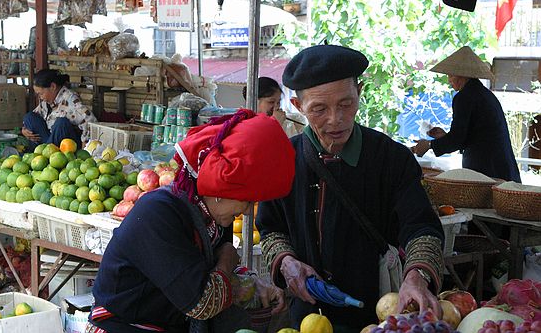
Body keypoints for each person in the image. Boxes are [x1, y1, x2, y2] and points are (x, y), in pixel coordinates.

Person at [256, 45, 445, 330]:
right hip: (306, 318)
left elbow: (422, 228)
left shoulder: (391, 158)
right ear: (298, 107)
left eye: (346, 103)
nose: (336, 119)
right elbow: (271, 231)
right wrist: (286, 262)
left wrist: (417, 275)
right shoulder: (283, 159)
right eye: (319, 109)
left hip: (380, 316)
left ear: (360, 91)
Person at [87, 109, 296, 332]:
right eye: (246, 201)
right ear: (220, 189)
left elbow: (210, 271)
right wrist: (227, 260)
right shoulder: (159, 214)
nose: (246, 211)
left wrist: (254, 282)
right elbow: (202, 303)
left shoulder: (211, 217)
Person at [412, 46, 521, 183]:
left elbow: (457, 139)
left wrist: (428, 145)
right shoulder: (483, 94)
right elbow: (469, 136)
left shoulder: (465, 97)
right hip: (499, 167)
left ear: (462, 75)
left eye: (451, 75)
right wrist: (445, 137)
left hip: (487, 169)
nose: (449, 80)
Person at [22, 69, 97, 150]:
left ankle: (45, 154)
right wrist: (24, 130)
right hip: (51, 140)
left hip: (66, 145)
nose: (40, 97)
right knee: (29, 117)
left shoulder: (70, 99)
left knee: (61, 123)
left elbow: (90, 120)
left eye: (41, 93)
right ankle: (39, 154)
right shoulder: (47, 101)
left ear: (53, 87)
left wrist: (85, 145)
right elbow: (35, 116)